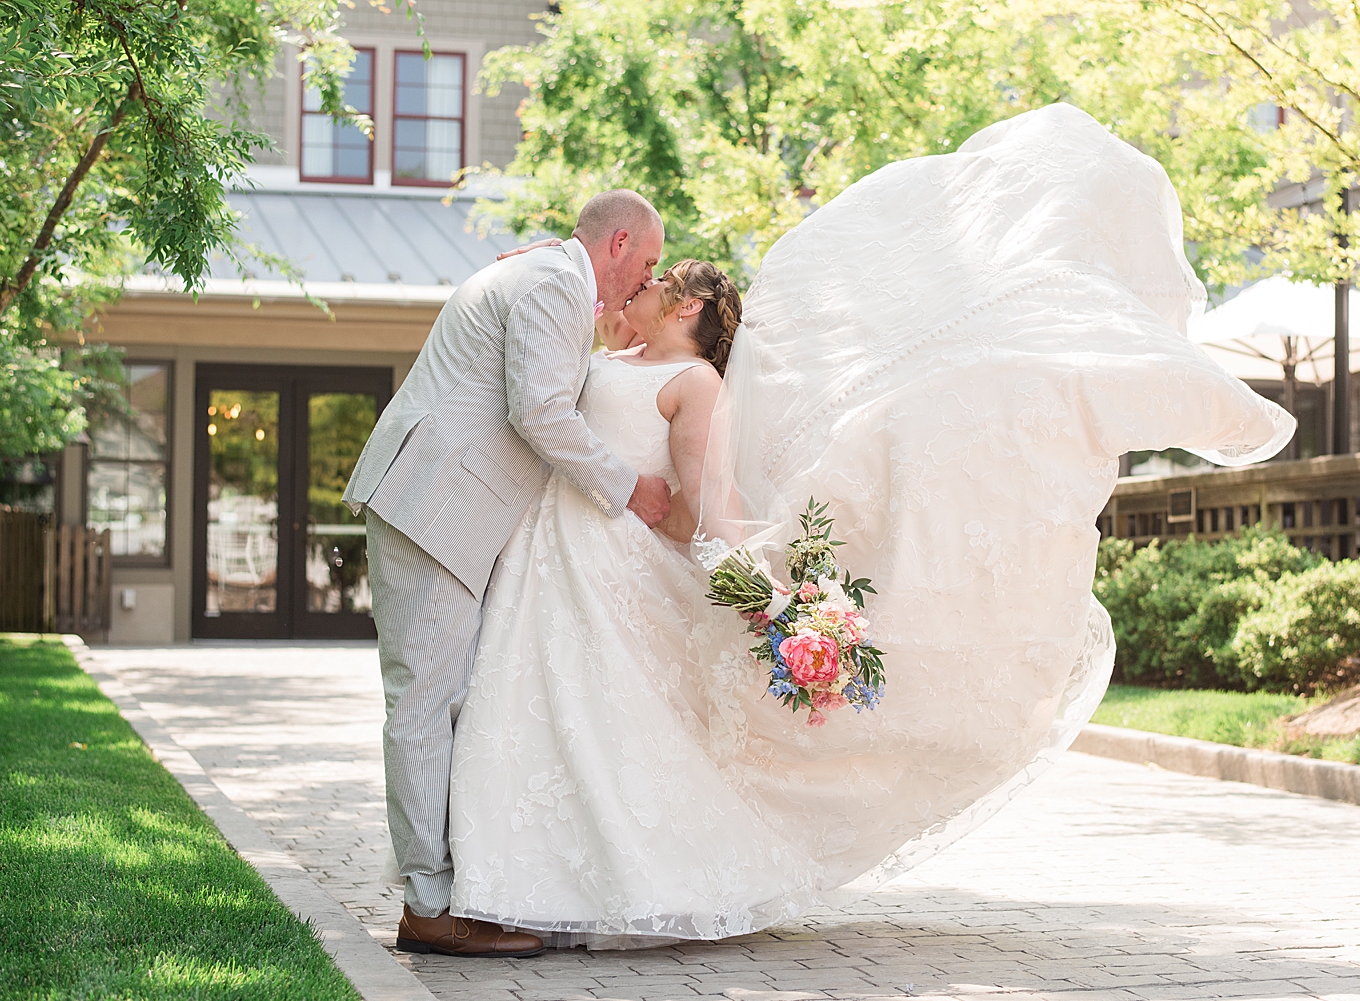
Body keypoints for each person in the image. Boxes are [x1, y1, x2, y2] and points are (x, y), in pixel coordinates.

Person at [445, 103, 1297, 951]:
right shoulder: (607, 351)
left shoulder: (698, 386)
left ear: (691, 310)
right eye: (649, 274)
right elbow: (552, 365)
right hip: (558, 548)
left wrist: (739, 571)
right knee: (535, 709)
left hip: (616, 552)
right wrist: (539, 274)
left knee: (597, 718)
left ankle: (584, 885)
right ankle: (503, 881)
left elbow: (701, 503)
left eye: (662, 281)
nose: (644, 287)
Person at [342, 189, 675, 958]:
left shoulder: (544, 277)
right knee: (425, 703)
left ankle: (455, 889)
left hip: (445, 509)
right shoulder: (554, 283)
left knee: (446, 700)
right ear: (618, 242)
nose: (645, 280)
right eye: (647, 263)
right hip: (433, 506)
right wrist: (630, 487)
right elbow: (540, 409)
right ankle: (429, 905)